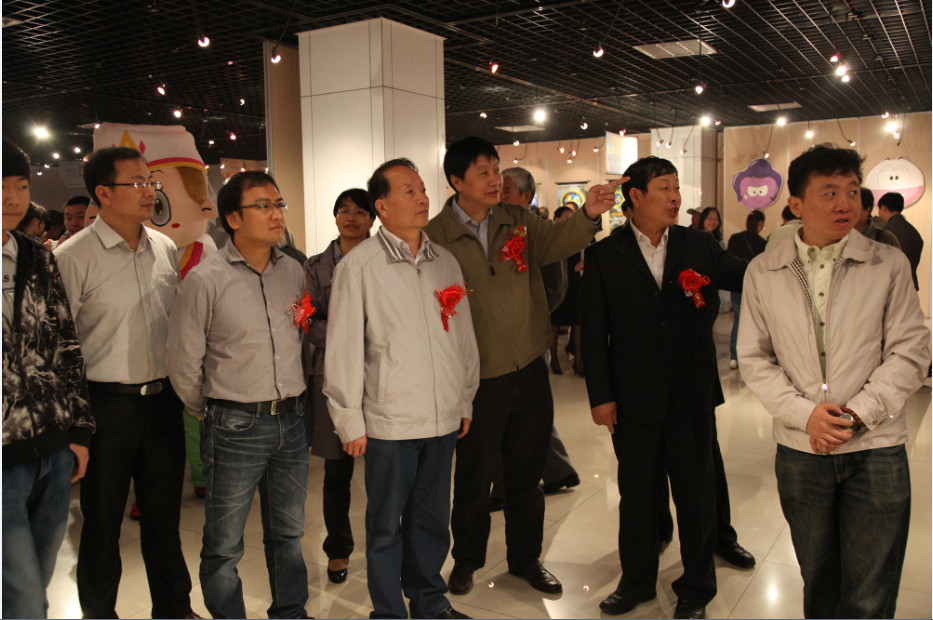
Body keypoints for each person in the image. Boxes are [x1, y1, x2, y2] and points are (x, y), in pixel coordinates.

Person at [738, 144, 929, 619]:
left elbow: (910, 351)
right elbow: (755, 358)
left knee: (870, 592)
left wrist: (856, 415)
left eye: (852, 191)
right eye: (829, 192)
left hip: (876, 446)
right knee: (818, 580)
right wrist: (807, 416)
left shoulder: (889, 264)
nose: (845, 204)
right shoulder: (764, 270)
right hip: (802, 448)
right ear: (796, 205)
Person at [424, 137, 619, 597]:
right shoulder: (435, 236)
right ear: (456, 181)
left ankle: (525, 558)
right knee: (474, 478)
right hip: (476, 378)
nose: (496, 180)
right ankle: (467, 560)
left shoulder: (518, 220)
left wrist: (589, 214)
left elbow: (557, 241)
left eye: (497, 169)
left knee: (526, 474)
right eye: (484, 172)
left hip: (529, 367)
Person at [580, 156, 750, 619]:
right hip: (633, 396)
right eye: (665, 189)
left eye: (677, 188)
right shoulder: (604, 255)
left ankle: (696, 588)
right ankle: (636, 581)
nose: (675, 198)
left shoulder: (700, 245)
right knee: (637, 494)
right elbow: (593, 334)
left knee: (696, 495)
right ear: (635, 196)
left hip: (692, 391)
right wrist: (601, 397)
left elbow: (749, 274)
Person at [324, 158, 480, 620]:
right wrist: (348, 419)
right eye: (408, 191)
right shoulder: (360, 266)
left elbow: (463, 338)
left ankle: (429, 601)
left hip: (442, 416)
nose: (422, 198)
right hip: (389, 420)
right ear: (383, 206)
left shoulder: (444, 261)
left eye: (423, 189)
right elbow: (344, 348)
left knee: (431, 521)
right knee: (385, 527)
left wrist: (464, 397)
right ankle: (389, 612)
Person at [55, 146, 197, 619]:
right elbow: (60, 346)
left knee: (164, 519)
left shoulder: (163, 247)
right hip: (104, 405)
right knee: (101, 524)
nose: (149, 192)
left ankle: (174, 609)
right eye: (137, 183)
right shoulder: (73, 257)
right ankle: (100, 613)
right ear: (103, 193)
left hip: (161, 402)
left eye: (150, 182)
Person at [167, 171, 310, 619]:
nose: (276, 214)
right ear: (232, 218)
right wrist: (211, 410)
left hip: (291, 420)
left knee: (288, 533)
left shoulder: (293, 271)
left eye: (278, 204)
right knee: (225, 543)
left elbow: (300, 338)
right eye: (263, 206)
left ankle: (291, 612)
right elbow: (183, 361)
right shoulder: (205, 279)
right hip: (234, 424)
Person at [2, 139, 95, 619]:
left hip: (52, 447)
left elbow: (65, 344)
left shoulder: (37, 256)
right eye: (1, 186)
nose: (12, 198)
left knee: (35, 583)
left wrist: (79, 430)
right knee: (22, 597)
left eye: (20, 185)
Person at [303, 188, 375, 584]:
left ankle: (386, 545)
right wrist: (353, 336)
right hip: (333, 374)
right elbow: (309, 323)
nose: (351, 217)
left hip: (381, 374)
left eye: (360, 211)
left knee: (385, 469)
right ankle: (338, 549)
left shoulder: (384, 259)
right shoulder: (316, 267)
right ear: (334, 217)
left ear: (372, 218)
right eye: (344, 210)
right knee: (336, 472)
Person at [726, 210, 767, 369]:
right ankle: (749, 356)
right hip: (754, 286)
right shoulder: (762, 243)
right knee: (754, 322)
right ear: (760, 224)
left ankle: (733, 357)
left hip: (737, 285)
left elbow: (729, 260)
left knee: (738, 320)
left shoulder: (735, 238)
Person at [550, 206, 585, 377]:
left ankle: (578, 360)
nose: (569, 220)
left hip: (574, 282)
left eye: (571, 217)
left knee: (577, 323)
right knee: (554, 325)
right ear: (556, 219)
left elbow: (586, 252)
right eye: (565, 217)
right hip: (556, 283)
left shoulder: (577, 235)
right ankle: (554, 359)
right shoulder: (550, 236)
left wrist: (584, 263)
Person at [877, 192, 923, 291]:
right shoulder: (913, 231)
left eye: (879, 209)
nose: (878, 214)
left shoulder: (886, 231)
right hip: (911, 285)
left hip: (894, 287)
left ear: (884, 208)